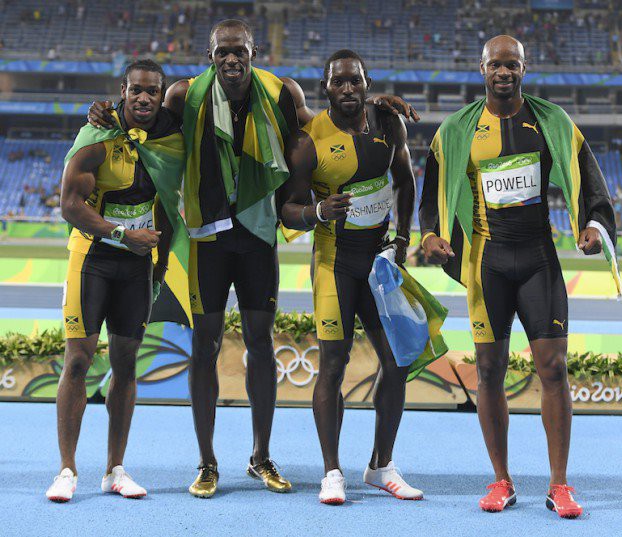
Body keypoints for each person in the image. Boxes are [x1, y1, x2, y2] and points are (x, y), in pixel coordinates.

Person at [88, 19, 419, 498]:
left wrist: (373, 103)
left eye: (238, 50)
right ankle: (206, 463)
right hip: (207, 239)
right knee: (205, 346)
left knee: (261, 344)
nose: (231, 58)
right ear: (210, 54)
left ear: (253, 52)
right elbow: (143, 121)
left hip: (259, 234)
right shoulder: (183, 96)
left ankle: (261, 457)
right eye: (222, 51)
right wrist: (107, 111)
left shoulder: (281, 92)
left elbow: (326, 125)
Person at [419, 36, 620, 519]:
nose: (503, 72)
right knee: (489, 371)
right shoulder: (456, 132)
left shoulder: (550, 122)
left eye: (511, 65)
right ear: (481, 68)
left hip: (537, 261)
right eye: (495, 64)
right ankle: (502, 481)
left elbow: (587, 177)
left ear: (524, 68)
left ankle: (559, 485)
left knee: (553, 370)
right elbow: (433, 191)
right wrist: (429, 234)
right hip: (488, 262)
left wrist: (593, 224)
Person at [282, 50, 422, 505]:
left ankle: (382, 465)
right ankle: (332, 472)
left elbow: (405, 181)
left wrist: (401, 241)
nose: (347, 89)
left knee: (397, 361)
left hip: (379, 265)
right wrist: (317, 211)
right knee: (334, 364)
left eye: (355, 81)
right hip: (335, 263)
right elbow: (286, 209)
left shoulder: (388, 124)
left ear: (366, 84)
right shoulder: (308, 142)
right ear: (325, 88)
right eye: (338, 82)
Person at [47, 59, 185, 502]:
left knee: (126, 366)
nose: (144, 98)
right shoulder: (96, 137)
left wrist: (159, 266)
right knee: (78, 362)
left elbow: (164, 202)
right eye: (136, 90)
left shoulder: (168, 140)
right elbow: (70, 204)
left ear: (161, 96)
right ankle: (67, 470)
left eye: (152, 92)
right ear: (122, 91)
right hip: (92, 259)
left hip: (138, 267)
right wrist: (123, 234)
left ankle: (115, 469)